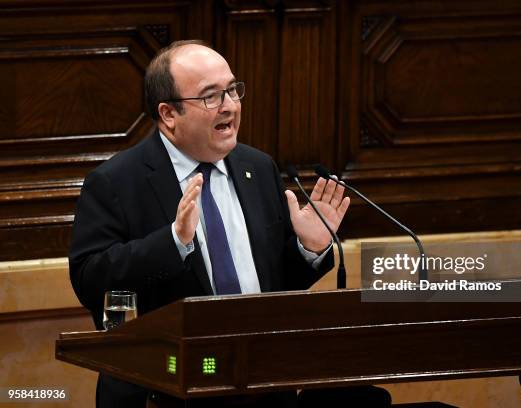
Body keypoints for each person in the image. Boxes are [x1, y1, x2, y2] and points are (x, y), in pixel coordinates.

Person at [69, 40, 350, 408]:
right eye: (210, 97)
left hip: (261, 386)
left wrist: (309, 249)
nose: (230, 106)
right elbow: (91, 281)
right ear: (169, 114)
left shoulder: (258, 168)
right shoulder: (116, 182)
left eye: (233, 90)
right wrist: (173, 242)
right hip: (165, 391)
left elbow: (273, 284)